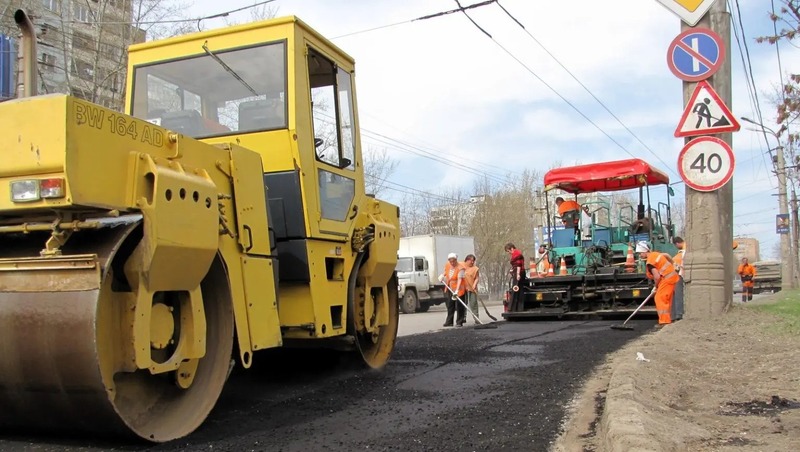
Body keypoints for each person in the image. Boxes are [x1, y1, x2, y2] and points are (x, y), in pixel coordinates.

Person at [639, 241, 679, 328]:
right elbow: (667, 255)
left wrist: (656, 286)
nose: (639, 255)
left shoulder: (650, 262)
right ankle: (670, 319)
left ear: (645, 251)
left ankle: (664, 322)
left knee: (660, 298)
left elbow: (656, 277)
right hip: (671, 277)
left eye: (640, 253)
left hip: (667, 279)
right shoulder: (655, 254)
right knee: (667, 299)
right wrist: (674, 264)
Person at [439, 252, 466, 327]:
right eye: (451, 261)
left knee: (459, 306)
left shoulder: (461, 268)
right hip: (450, 288)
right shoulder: (448, 265)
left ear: (456, 260)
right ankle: (449, 321)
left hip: (459, 289)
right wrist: (442, 275)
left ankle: (459, 321)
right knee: (450, 305)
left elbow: (460, 280)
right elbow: (446, 272)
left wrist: (457, 290)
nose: (452, 263)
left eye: (454, 261)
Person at [505, 243, 526, 311]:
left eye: (508, 251)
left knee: (515, 289)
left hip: (518, 272)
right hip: (520, 272)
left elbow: (518, 265)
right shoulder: (517, 253)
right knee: (520, 290)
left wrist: (517, 274)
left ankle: (512, 308)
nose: (509, 253)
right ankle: (520, 308)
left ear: (511, 248)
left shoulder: (516, 254)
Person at [463, 254, 480, 323]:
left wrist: (474, 284)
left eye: (473, 261)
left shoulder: (475, 269)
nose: (472, 262)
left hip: (472, 289)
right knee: (463, 304)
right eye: (471, 260)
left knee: (473, 304)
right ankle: (463, 318)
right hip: (463, 288)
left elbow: (477, 278)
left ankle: (476, 318)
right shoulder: (462, 266)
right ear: (467, 260)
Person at [672, 237, 686, 320]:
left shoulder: (683, 250)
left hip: (680, 274)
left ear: (677, 243)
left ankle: (679, 314)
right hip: (683, 272)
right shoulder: (687, 246)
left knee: (678, 293)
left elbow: (678, 261)